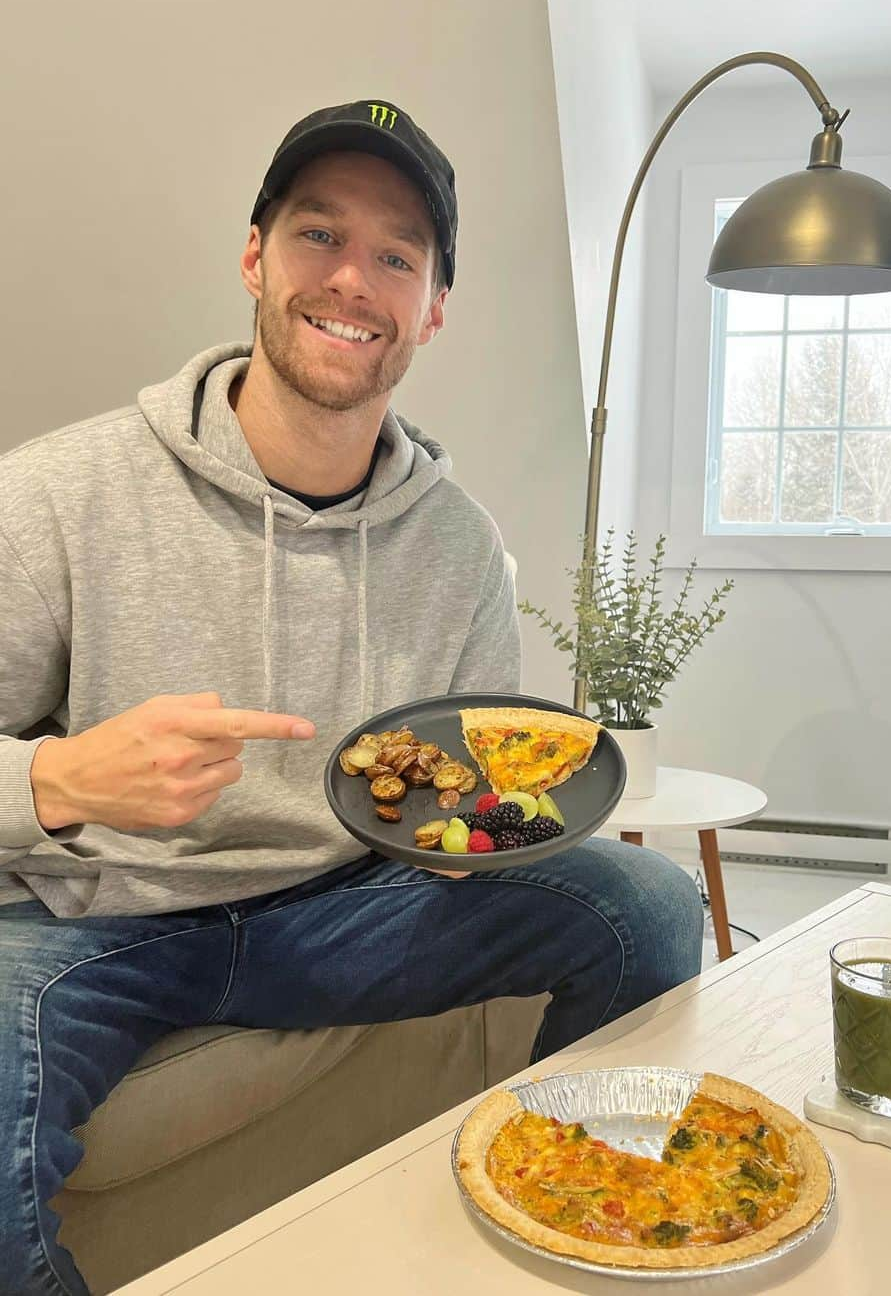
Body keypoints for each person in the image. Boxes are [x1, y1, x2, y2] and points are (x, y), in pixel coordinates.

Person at [0, 98, 704, 1295]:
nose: (352, 280)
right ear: (255, 257)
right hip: (91, 925)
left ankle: (586, 1212)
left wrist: (467, 838)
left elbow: (476, 781)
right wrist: (55, 778)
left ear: (432, 309)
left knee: (646, 903)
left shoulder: (462, 548)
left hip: (344, 909)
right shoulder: (59, 494)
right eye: (318, 235)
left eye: (395, 256)